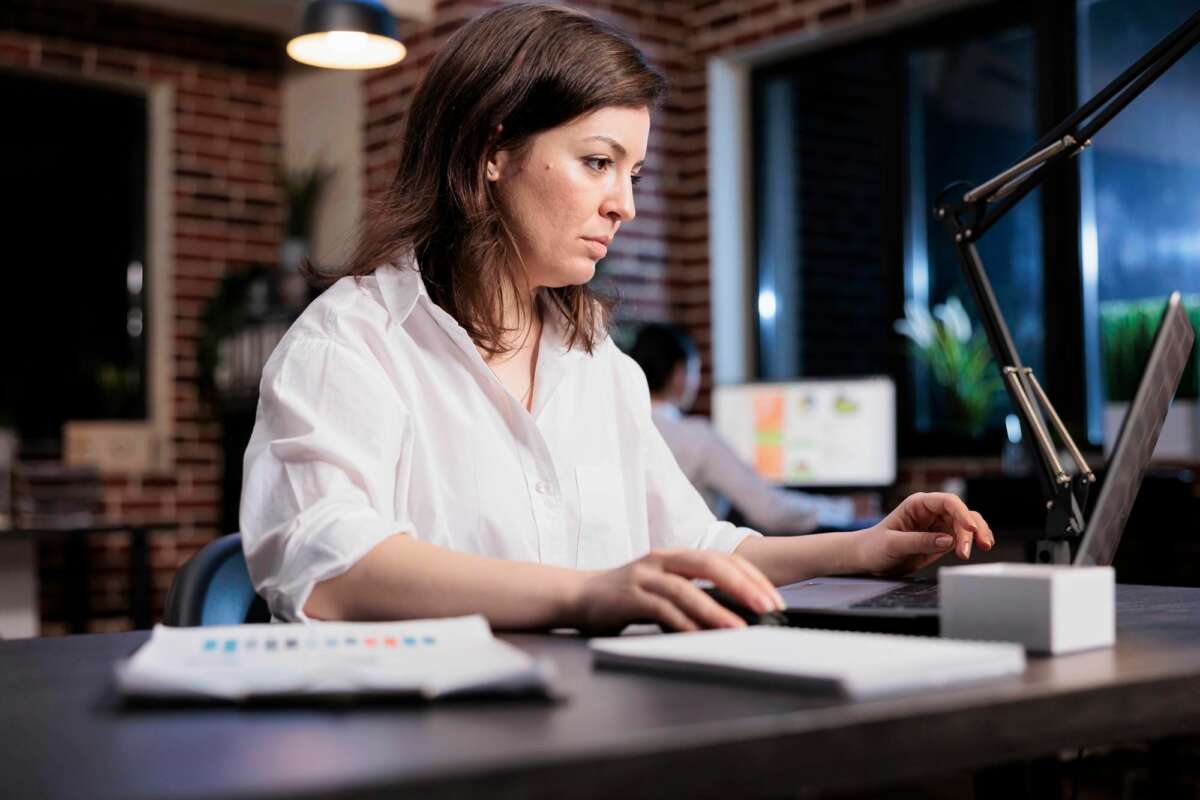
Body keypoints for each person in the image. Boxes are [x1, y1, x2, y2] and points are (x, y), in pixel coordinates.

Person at [239, 3, 993, 633]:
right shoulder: (353, 341)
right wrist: (585, 592)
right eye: (597, 163)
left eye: (632, 174)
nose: (623, 206)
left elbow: (695, 545)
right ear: (490, 150)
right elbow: (327, 566)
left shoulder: (599, 366)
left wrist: (862, 547)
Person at [628, 322, 865, 534]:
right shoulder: (696, 438)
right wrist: (846, 508)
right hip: (692, 573)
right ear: (680, 374)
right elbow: (770, 510)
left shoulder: (621, 433)